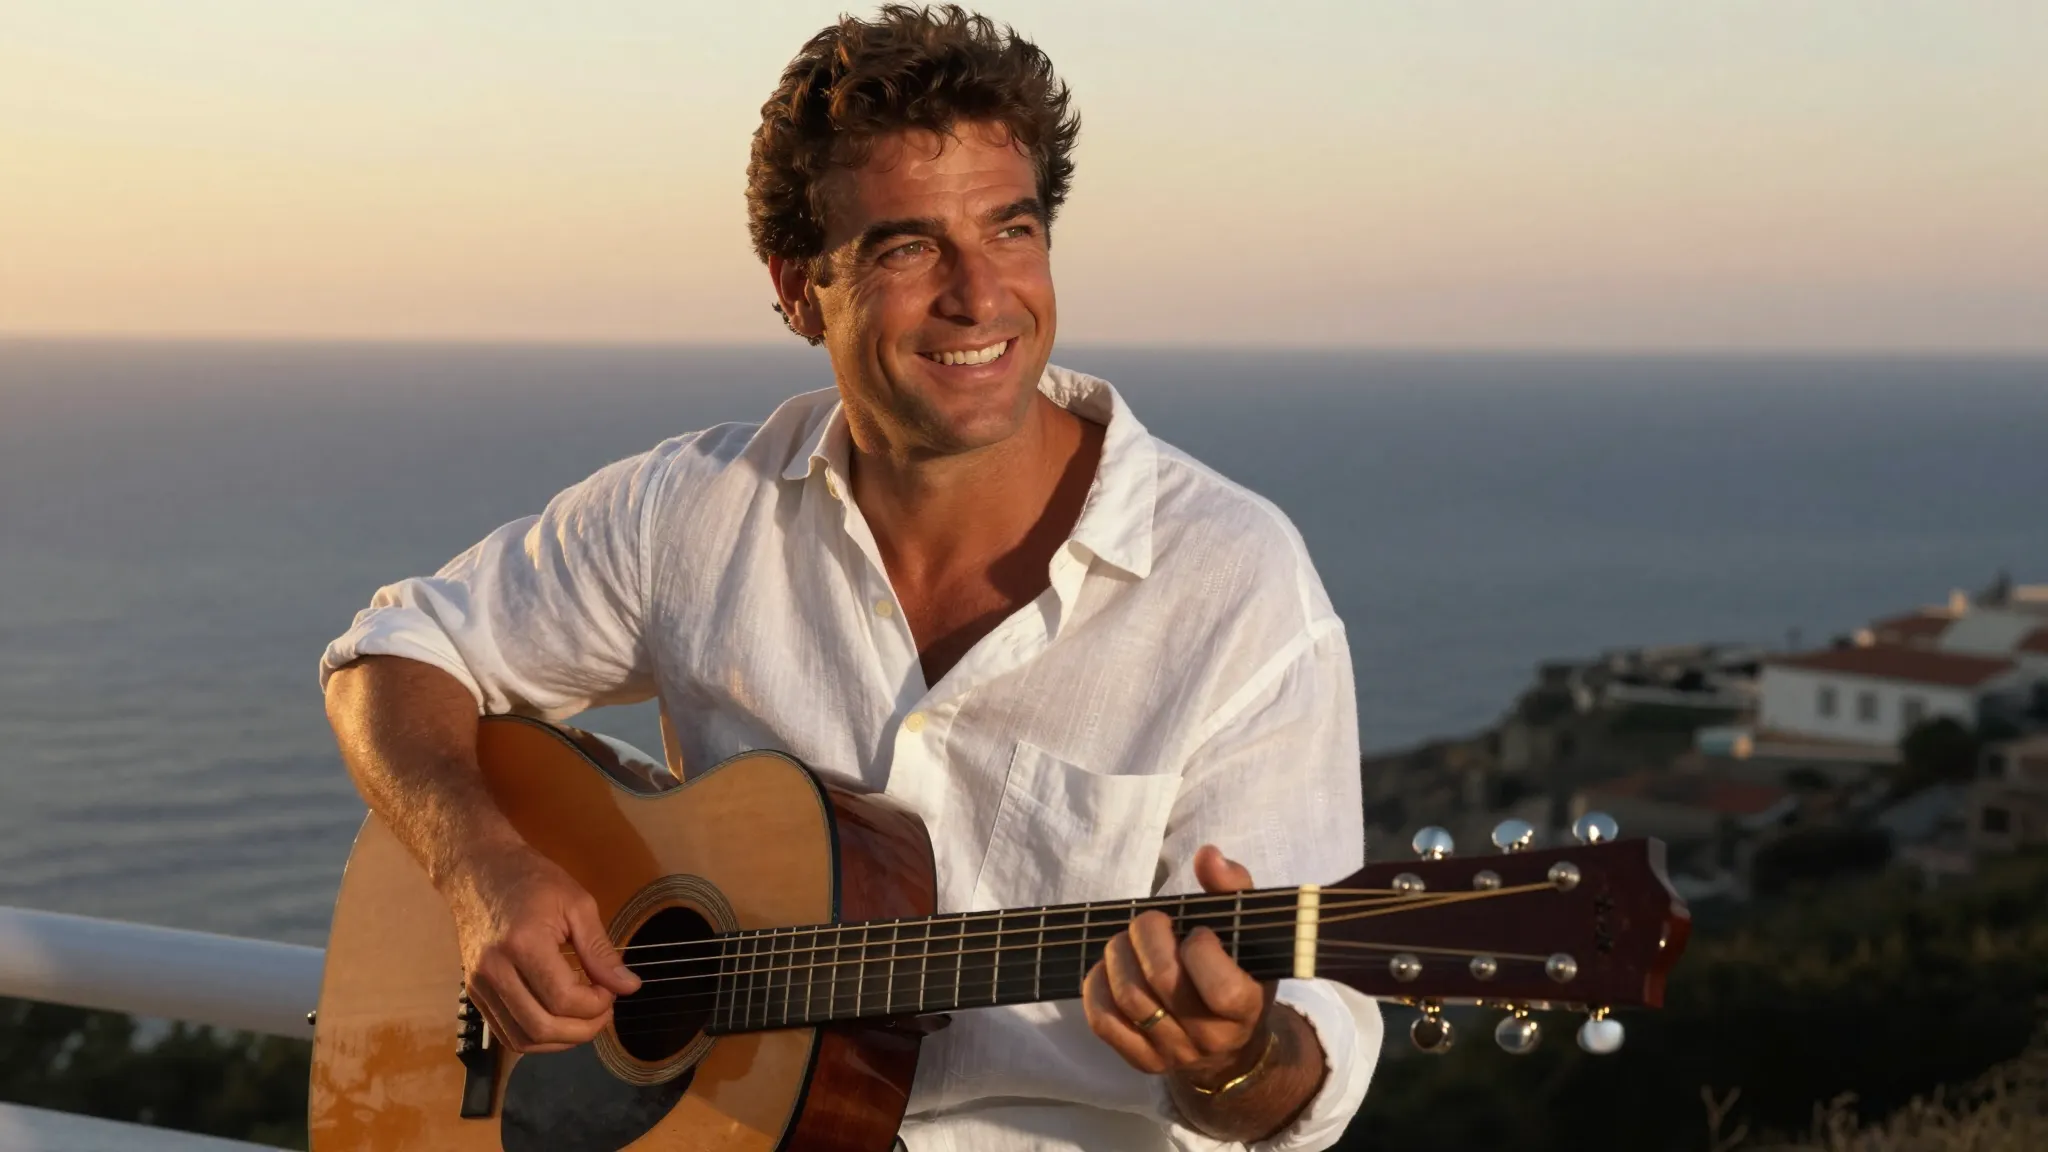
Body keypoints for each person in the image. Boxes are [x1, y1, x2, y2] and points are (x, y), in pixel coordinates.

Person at [319, 5, 1379, 1148]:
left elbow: (1302, 1071)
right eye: (906, 247)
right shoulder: (690, 511)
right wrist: (481, 866)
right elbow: (389, 656)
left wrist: (1234, 1054)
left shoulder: (1232, 579)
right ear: (796, 288)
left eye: (1011, 230)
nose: (979, 296)